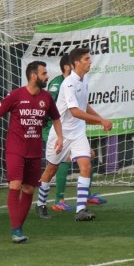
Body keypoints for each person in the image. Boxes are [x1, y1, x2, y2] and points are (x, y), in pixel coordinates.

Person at [0, 60, 63, 243]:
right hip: (15, 149)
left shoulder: (46, 98)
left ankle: (18, 227)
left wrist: (60, 137)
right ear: (33, 76)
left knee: (29, 189)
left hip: (35, 150)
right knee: (15, 185)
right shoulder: (16, 95)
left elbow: (56, 118)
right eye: (44, 73)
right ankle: (16, 230)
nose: (47, 76)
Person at [35, 54, 108, 219]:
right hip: (60, 133)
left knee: (86, 165)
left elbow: (84, 106)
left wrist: (101, 120)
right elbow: (74, 111)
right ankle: (40, 203)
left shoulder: (84, 80)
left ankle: (80, 210)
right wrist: (99, 120)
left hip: (77, 133)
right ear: (75, 64)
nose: (90, 61)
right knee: (51, 169)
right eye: (86, 59)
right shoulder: (67, 84)